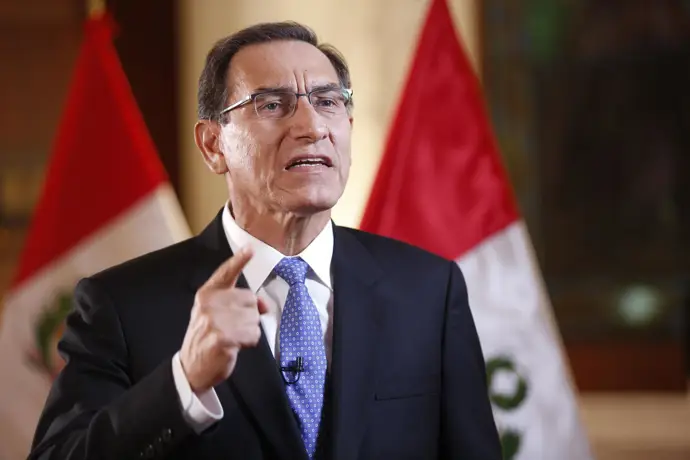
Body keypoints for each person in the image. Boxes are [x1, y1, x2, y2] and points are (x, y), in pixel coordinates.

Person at [28, 21, 501, 460]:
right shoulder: (121, 306)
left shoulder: (428, 291)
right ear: (213, 146)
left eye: (328, 101)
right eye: (272, 105)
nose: (311, 127)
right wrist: (185, 382)